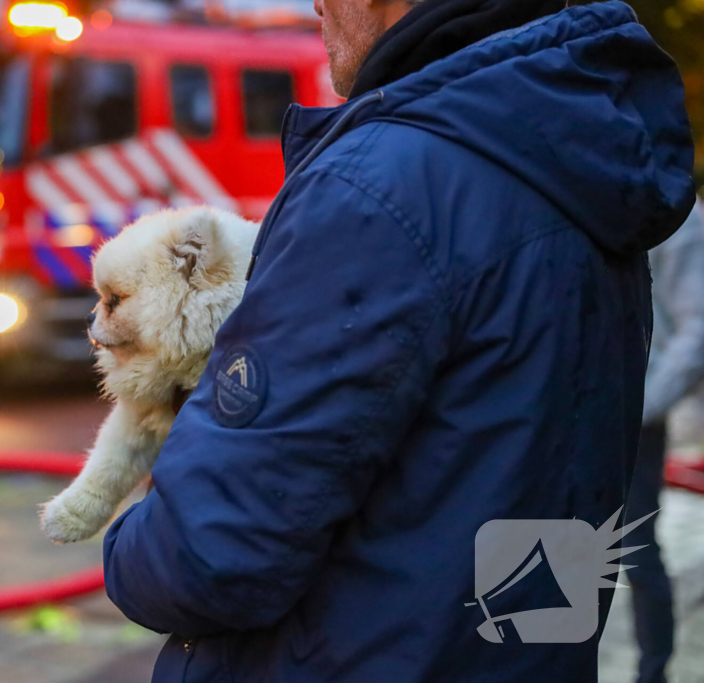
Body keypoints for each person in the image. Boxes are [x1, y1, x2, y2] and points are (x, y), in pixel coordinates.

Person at [103, 0, 697, 680]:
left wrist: (134, 531)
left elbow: (207, 556)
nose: (316, 3)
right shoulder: (573, 164)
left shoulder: (376, 188)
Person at [626, 197, 704, 683]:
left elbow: (698, 327)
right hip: (565, 410)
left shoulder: (673, 210)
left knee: (633, 549)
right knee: (558, 545)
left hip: (631, 419)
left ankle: (652, 674)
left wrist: (640, 406)